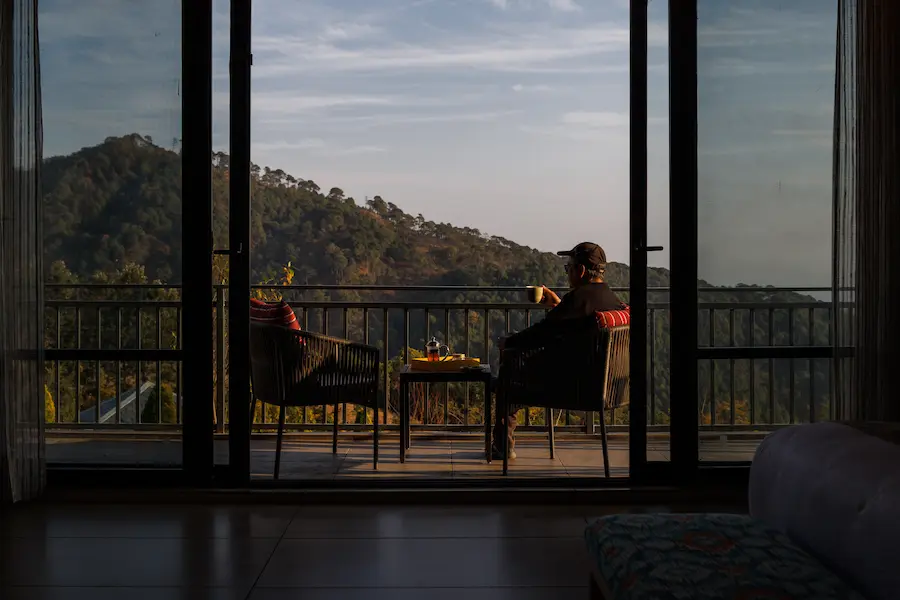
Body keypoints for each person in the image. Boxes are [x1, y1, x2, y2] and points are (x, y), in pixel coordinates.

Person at [492, 242, 625, 460]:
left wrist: (509, 341)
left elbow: (542, 332)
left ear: (580, 271)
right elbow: (574, 325)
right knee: (514, 369)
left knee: (509, 371)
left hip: (575, 388)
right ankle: (502, 443)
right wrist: (558, 305)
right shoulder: (611, 299)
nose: (568, 273)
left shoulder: (578, 298)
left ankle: (502, 446)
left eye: (568, 268)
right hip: (606, 386)